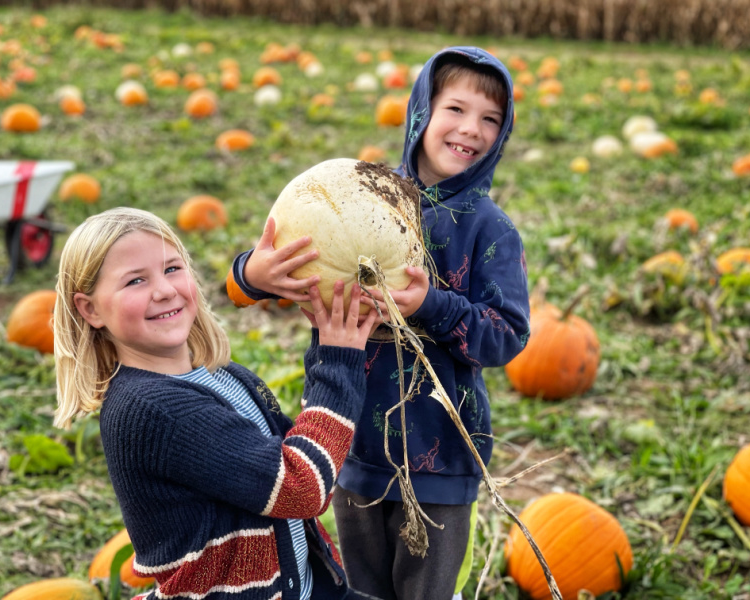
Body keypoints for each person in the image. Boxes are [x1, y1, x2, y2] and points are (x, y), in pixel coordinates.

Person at [231, 46, 530, 600]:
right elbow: (270, 275)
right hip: (351, 446)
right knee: (361, 591)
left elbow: (506, 336)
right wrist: (252, 271)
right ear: (421, 111)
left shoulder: (492, 230)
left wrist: (431, 306)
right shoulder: (361, 195)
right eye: (456, 110)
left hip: (439, 461)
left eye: (491, 119)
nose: (472, 129)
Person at [52, 206, 379, 600]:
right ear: (90, 309)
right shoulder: (153, 408)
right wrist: (337, 362)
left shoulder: (224, 376)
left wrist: (329, 345)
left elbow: (306, 463)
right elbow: (300, 487)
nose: (164, 290)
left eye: (172, 268)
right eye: (136, 280)